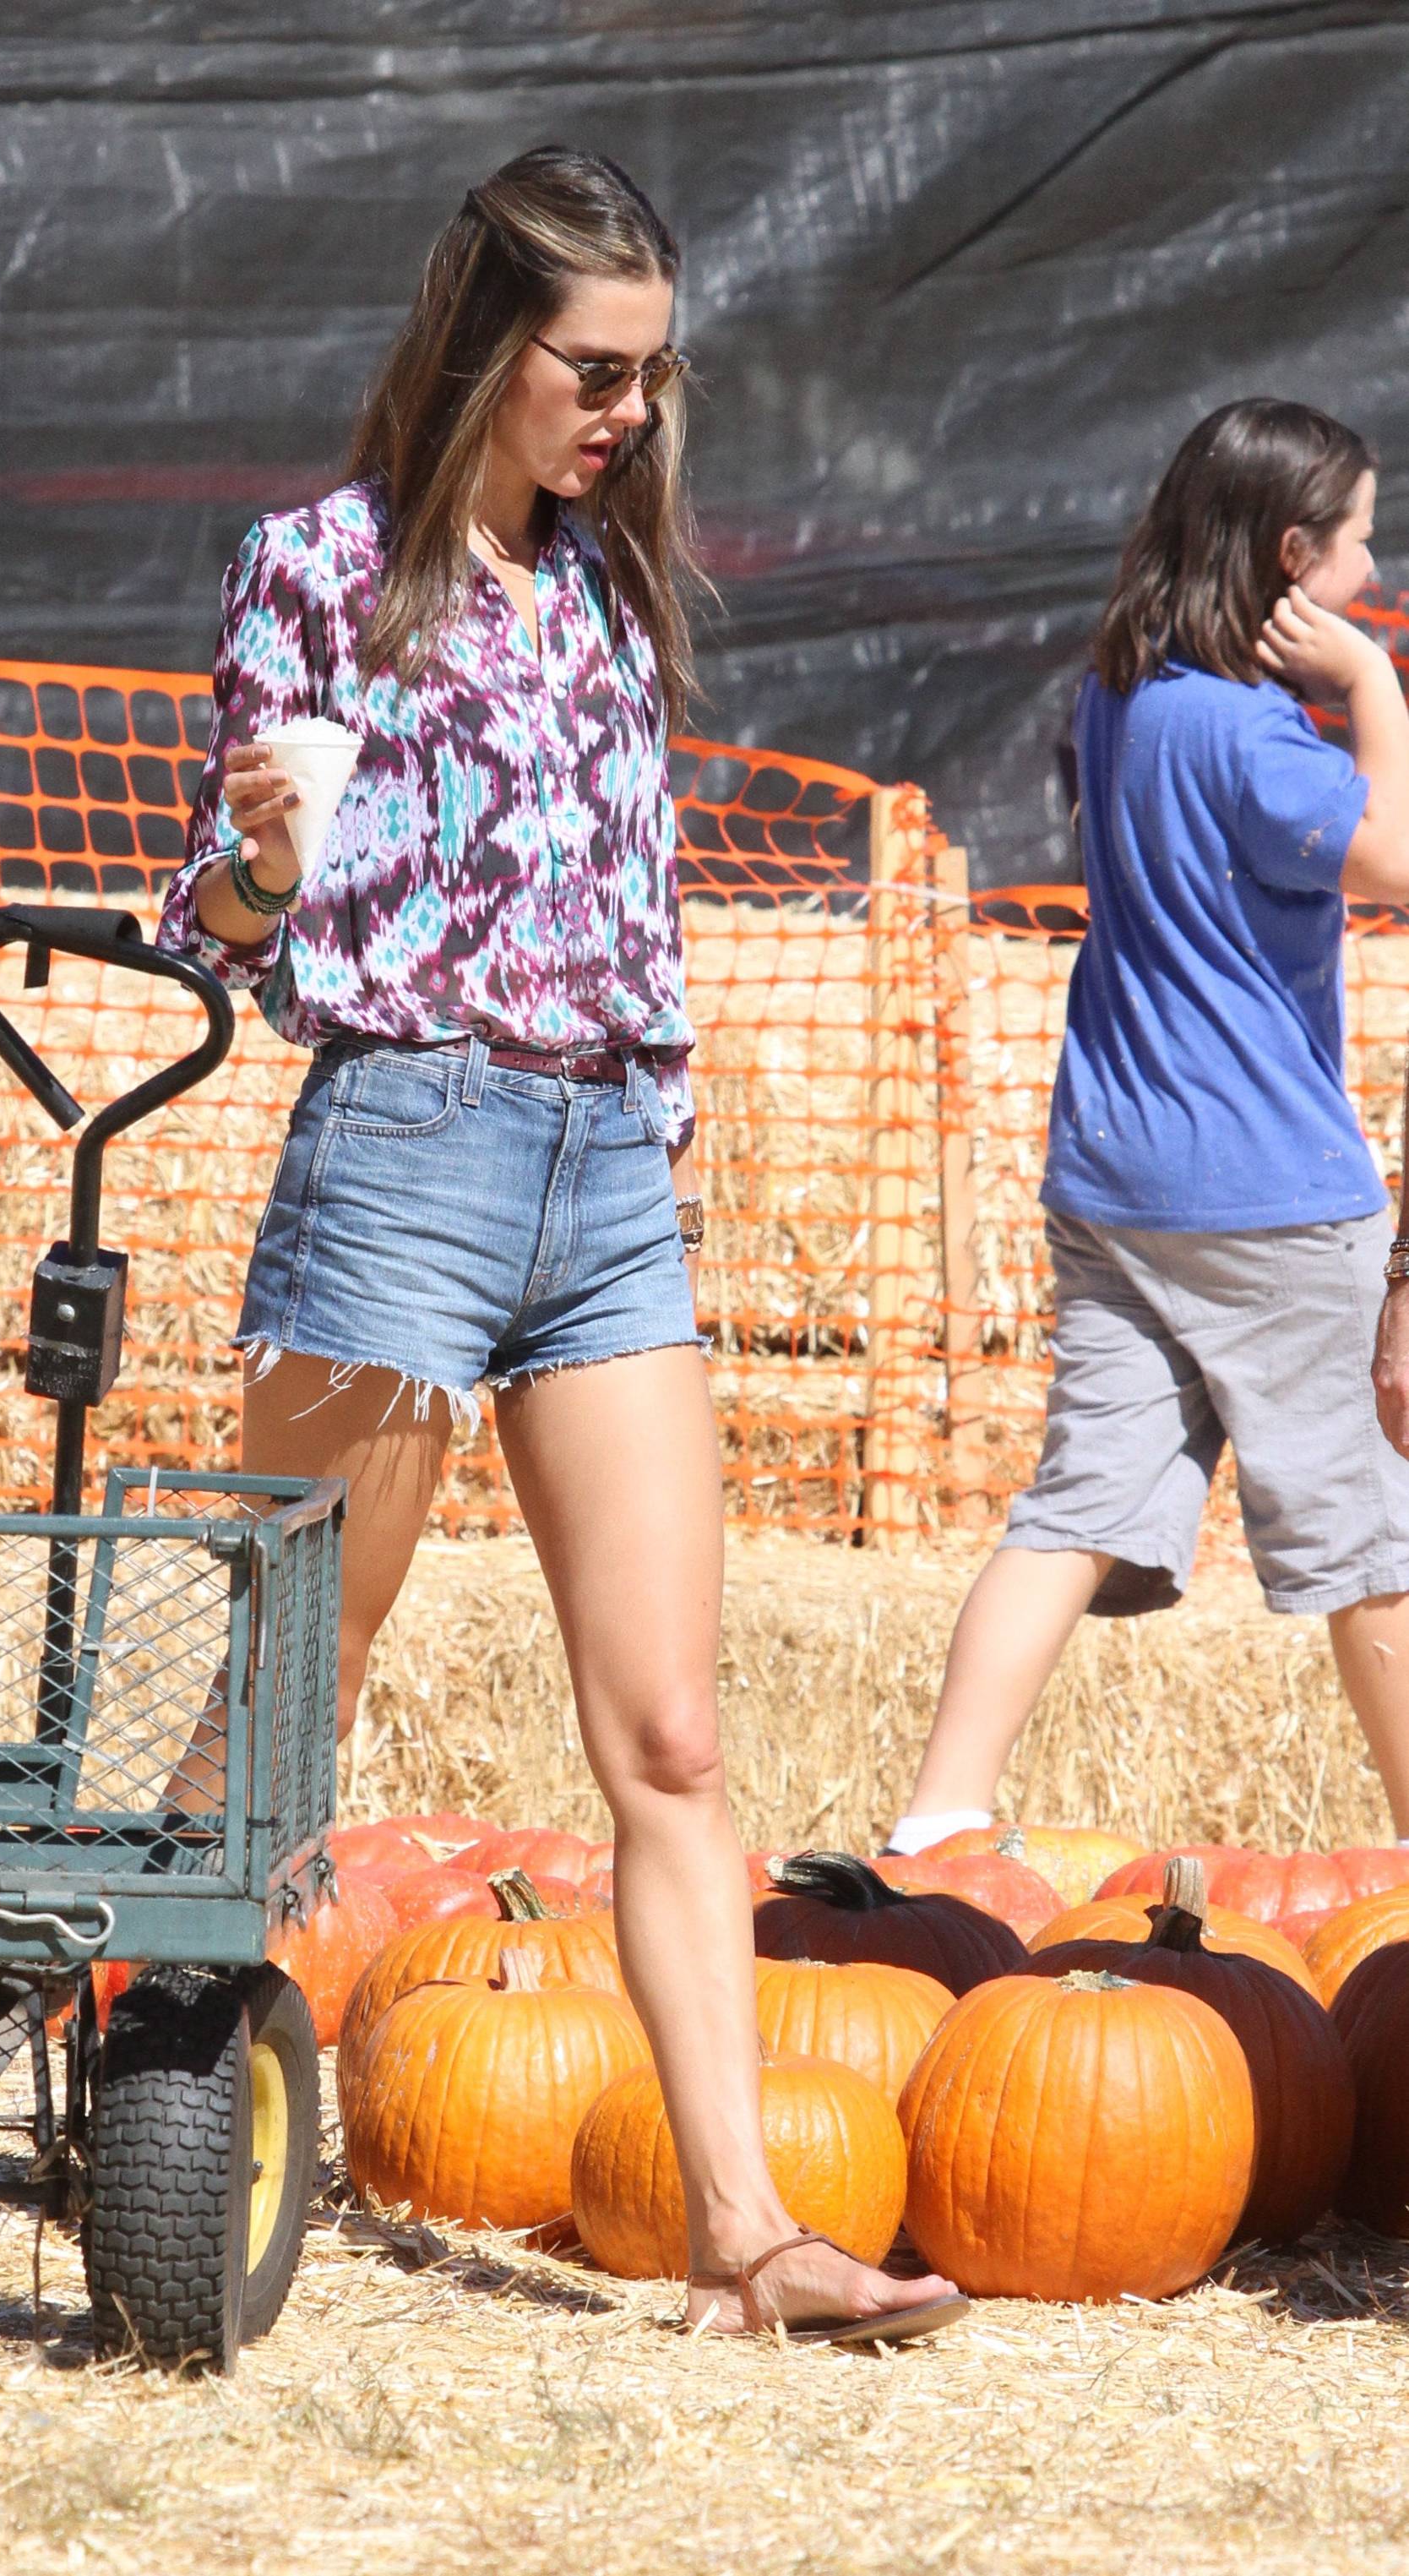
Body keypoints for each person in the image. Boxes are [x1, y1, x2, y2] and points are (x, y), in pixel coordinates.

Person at [158, 146, 960, 2342]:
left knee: (676, 1736)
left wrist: (671, 1112)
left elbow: (636, 895)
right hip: (405, 1147)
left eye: (649, 374)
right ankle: (135, 2097)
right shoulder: (321, 570)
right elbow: (222, 926)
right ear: (475, 346)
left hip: (604, 1176)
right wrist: (250, 870)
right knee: (287, 1688)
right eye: (587, 370)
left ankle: (745, 2234)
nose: (623, 411)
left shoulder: (608, 587)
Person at [890, 399, 1409, 1859]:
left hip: (1112, 1177)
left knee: (1074, 1509)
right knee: (1374, 1538)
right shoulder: (1257, 735)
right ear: (1296, 556)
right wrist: (1373, 682)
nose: (1375, 567)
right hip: (1269, 1192)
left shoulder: (1120, 694)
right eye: (1361, 545)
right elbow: (1399, 857)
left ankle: (934, 1825)